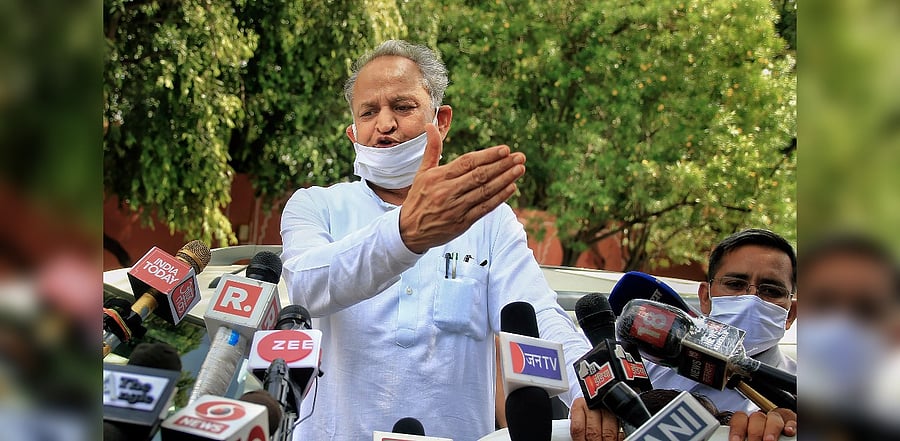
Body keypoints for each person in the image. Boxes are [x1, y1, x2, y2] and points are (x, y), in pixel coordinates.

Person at [280, 40, 609, 440]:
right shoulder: (317, 206)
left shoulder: (487, 219)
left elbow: (535, 315)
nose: (384, 125)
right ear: (353, 130)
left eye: (402, 107)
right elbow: (305, 284)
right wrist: (406, 234)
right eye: (368, 112)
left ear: (442, 120)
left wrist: (592, 386)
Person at [644, 228, 799, 439]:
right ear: (705, 298)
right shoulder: (643, 370)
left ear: (791, 314)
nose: (751, 299)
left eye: (771, 291)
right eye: (735, 284)